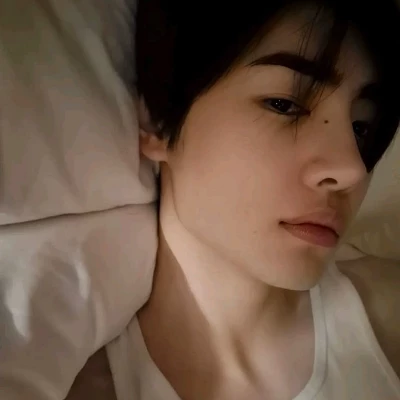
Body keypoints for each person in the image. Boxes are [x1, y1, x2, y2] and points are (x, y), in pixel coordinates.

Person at [67, 0, 400, 399]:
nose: (352, 169)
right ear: (157, 121)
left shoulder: (389, 319)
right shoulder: (70, 385)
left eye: (361, 127)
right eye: (285, 105)